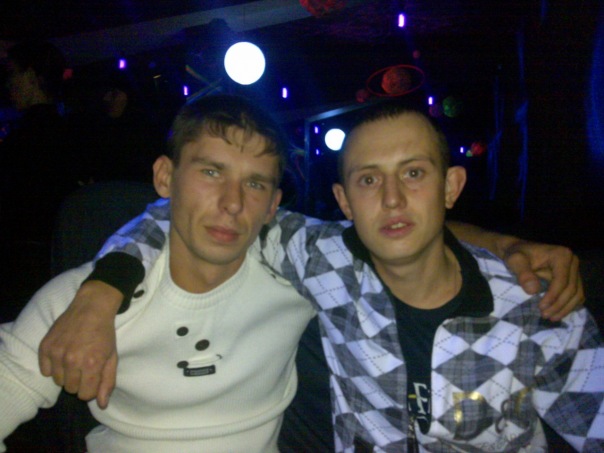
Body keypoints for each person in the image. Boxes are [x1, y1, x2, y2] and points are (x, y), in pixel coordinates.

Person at [36, 97, 594, 451]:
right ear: (343, 201)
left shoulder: (536, 305)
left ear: (450, 187)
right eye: (369, 180)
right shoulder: (322, 259)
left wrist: (506, 245)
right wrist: (102, 290)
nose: (392, 199)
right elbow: (188, 212)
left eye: (413, 174)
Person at [0, 95, 316, 452]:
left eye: (255, 184)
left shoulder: (300, 284)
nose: (233, 203)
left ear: (273, 205)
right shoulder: (90, 299)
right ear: (165, 178)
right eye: (211, 172)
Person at [0, 40, 80, 316]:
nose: (8, 83)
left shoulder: (22, 139)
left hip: (23, 262)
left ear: (32, 77)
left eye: (13, 73)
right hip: (61, 260)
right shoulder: (70, 133)